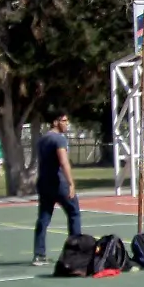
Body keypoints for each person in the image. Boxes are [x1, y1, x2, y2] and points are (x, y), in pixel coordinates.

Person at [32, 109, 82, 266]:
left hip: (44, 183)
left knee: (43, 218)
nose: (67, 124)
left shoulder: (42, 139)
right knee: (74, 213)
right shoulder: (59, 140)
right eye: (64, 121)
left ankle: (39, 254)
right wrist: (71, 183)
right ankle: (75, 253)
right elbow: (63, 161)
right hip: (58, 183)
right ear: (55, 122)